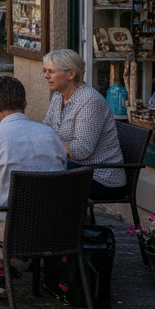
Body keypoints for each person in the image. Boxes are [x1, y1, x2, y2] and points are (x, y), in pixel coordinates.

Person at [0, 76, 67, 298]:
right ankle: (1, 266)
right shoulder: (51, 135)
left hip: (12, 228)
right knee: (4, 201)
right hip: (55, 226)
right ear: (25, 103)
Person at [41, 48, 127, 199]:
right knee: (27, 166)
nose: (46, 76)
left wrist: (47, 141)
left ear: (71, 74)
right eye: (45, 70)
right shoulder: (57, 96)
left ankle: (58, 222)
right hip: (75, 169)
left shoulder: (89, 101)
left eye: (51, 71)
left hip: (101, 177)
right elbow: (46, 128)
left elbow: (80, 151)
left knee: (38, 180)